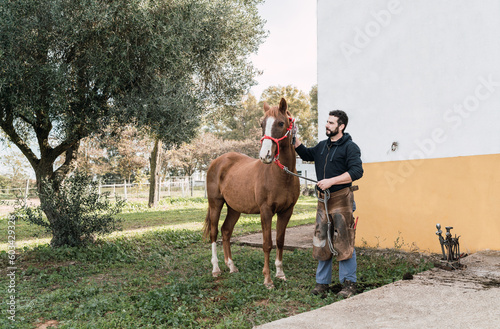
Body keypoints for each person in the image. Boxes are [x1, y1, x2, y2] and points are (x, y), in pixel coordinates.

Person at [294, 110, 363, 298]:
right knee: (321, 239)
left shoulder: (350, 147)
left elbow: (357, 171)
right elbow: (306, 153)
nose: (327, 125)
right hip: (323, 201)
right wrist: (294, 137)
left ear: (341, 127)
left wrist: (331, 181)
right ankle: (322, 283)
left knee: (344, 239)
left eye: (331, 123)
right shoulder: (322, 146)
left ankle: (349, 283)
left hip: (342, 199)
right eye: (327, 121)